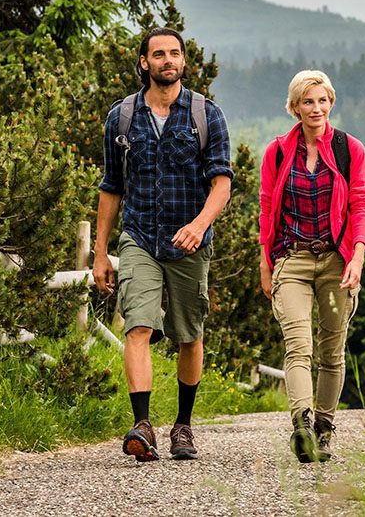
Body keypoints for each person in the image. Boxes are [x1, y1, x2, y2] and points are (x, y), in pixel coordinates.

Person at [93, 27, 233, 462]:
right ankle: (142, 426)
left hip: (190, 242)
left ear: (184, 63)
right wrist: (101, 253)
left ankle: (184, 427)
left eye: (174, 53)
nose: (167, 60)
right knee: (138, 325)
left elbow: (223, 183)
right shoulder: (122, 117)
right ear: (144, 63)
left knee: (189, 335)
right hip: (139, 237)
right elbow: (111, 187)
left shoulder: (206, 114)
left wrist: (200, 224)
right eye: (158, 54)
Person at [258, 69, 365, 463]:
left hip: (337, 260)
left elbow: (361, 203)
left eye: (322, 100)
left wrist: (357, 254)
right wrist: (265, 262)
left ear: (331, 103)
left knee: (332, 351)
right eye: (308, 101)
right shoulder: (276, 152)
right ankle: (302, 424)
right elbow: (267, 208)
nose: (316, 108)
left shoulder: (349, 149)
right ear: (295, 107)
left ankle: (324, 428)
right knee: (298, 345)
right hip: (292, 258)